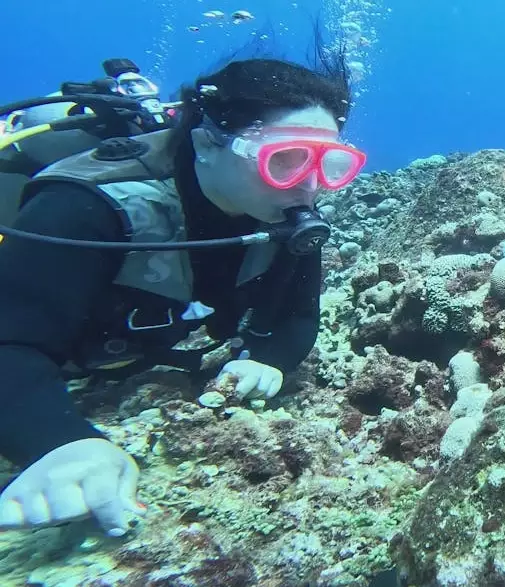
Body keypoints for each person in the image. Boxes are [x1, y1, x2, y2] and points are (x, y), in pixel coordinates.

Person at [0, 42, 365, 538]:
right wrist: (58, 441)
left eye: (331, 165)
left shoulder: (284, 217)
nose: (310, 188)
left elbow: (298, 318)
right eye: (286, 160)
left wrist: (268, 358)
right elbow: (12, 344)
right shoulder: (85, 207)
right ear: (207, 143)